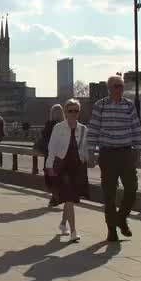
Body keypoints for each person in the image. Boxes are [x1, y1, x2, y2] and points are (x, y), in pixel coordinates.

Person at [88, 75, 141, 242]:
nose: (119, 89)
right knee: (109, 194)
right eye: (116, 86)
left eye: (121, 86)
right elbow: (93, 129)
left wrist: (138, 151)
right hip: (107, 154)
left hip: (126, 153)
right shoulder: (100, 106)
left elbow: (135, 128)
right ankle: (112, 230)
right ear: (109, 88)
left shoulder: (128, 106)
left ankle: (121, 218)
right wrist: (91, 152)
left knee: (132, 189)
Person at [46, 98, 89, 243]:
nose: (73, 114)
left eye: (76, 111)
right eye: (70, 111)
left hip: (77, 167)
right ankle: (74, 232)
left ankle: (63, 223)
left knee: (70, 199)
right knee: (69, 198)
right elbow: (52, 148)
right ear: (65, 111)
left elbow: (85, 149)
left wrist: (89, 160)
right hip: (62, 166)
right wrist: (49, 166)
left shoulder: (83, 129)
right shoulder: (58, 128)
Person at [36, 104, 65, 207]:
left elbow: (43, 136)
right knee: (56, 177)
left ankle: (55, 197)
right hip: (59, 155)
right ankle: (56, 197)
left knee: (50, 177)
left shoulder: (50, 125)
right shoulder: (64, 125)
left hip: (51, 155)